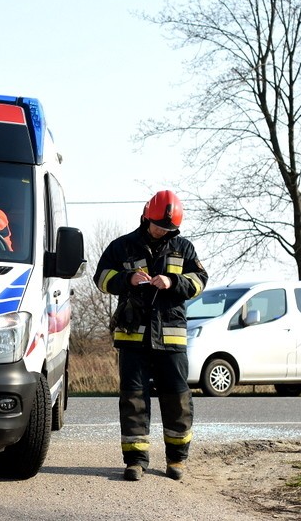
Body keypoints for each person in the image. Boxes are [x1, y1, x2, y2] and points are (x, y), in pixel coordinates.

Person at [93, 190, 208, 481]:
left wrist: (173, 281)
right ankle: (135, 461)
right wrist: (127, 279)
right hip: (133, 338)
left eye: (168, 228)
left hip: (171, 338)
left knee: (177, 399)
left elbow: (199, 281)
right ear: (146, 217)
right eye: (158, 225)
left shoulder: (184, 248)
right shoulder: (122, 247)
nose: (162, 231)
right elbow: (101, 278)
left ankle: (177, 460)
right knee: (133, 400)